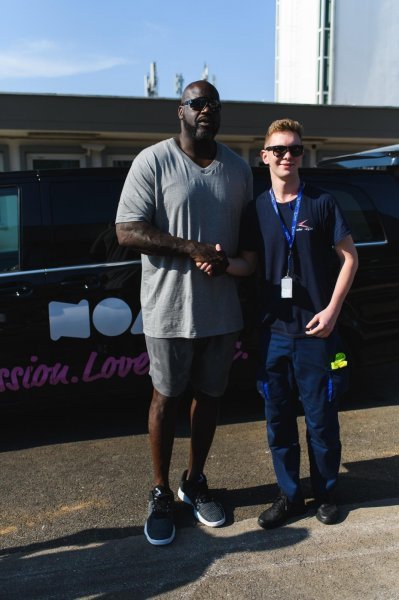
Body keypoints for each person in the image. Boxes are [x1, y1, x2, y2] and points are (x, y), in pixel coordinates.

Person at [115, 80, 253, 545]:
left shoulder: (237, 169)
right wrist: (189, 247)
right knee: (166, 397)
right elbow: (127, 230)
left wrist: (227, 262)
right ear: (181, 111)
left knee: (210, 397)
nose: (205, 110)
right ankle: (159, 491)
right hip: (168, 309)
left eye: (213, 103)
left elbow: (249, 241)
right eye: (197, 103)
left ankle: (194, 482)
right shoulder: (153, 161)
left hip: (220, 310)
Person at [204, 118, 358, 528]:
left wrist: (332, 310)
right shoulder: (256, 209)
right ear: (265, 156)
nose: (287, 156)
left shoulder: (322, 203)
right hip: (272, 334)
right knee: (278, 421)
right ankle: (290, 497)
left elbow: (350, 258)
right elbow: (248, 264)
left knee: (321, 419)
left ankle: (325, 493)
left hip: (316, 333)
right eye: (280, 149)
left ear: (301, 154)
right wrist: (220, 264)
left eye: (295, 149)